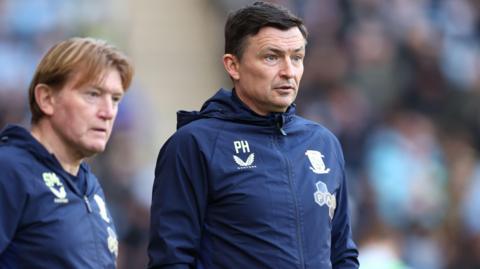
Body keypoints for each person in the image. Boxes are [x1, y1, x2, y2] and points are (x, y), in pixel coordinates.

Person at [148, 1, 359, 268]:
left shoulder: (323, 144)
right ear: (233, 65)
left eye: (296, 58)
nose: (288, 71)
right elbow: (171, 260)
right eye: (272, 57)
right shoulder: (194, 144)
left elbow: (342, 254)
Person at [0, 37, 134, 268]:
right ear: (46, 99)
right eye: (93, 94)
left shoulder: (90, 186)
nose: (108, 112)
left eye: (115, 99)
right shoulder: (9, 170)